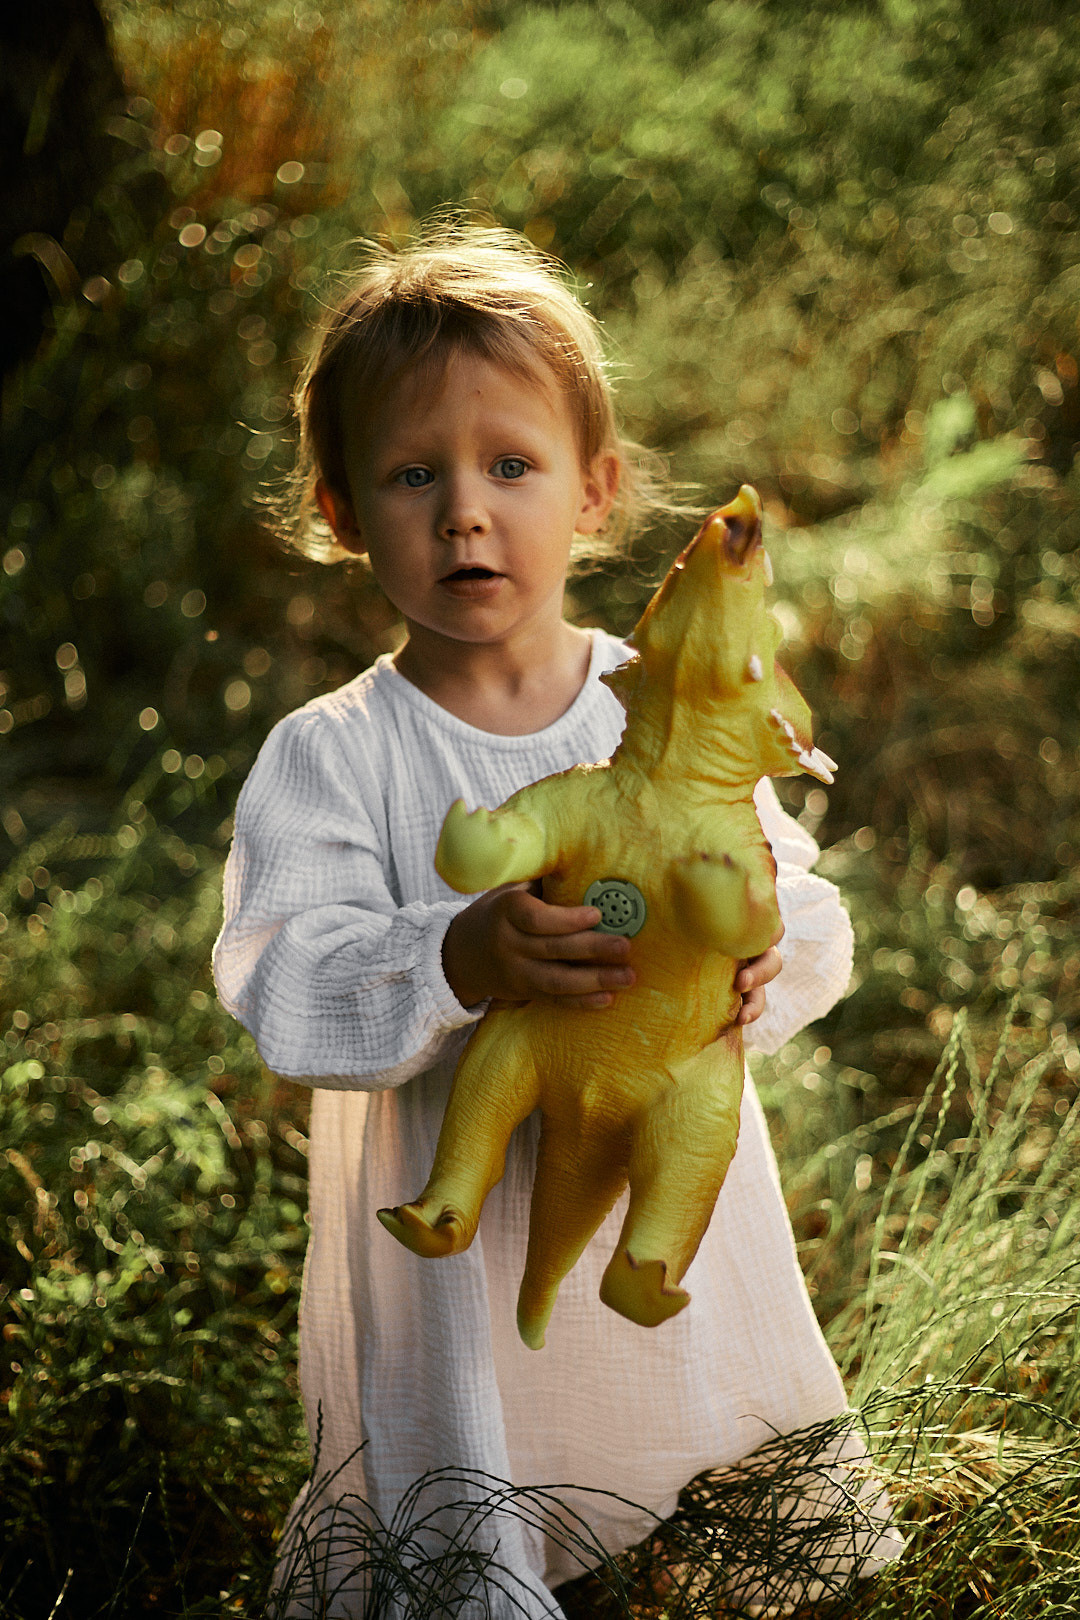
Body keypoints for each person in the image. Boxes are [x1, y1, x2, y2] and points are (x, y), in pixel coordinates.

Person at [213, 225, 899, 1617]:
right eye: (414, 474)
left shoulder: (664, 703)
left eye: (511, 466)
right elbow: (284, 980)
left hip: (663, 1197)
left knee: (698, 1491)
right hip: (455, 1267)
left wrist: (764, 952)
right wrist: (457, 952)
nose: (465, 512)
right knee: (480, 1503)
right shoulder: (335, 754)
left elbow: (788, 890)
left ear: (596, 489)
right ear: (342, 510)